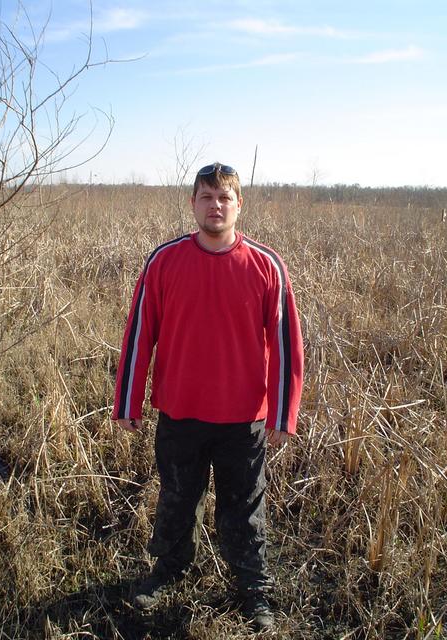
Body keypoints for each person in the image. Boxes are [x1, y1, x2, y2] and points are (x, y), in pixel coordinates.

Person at [112, 162, 304, 631]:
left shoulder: (266, 265)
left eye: (225, 198)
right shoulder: (164, 260)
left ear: (239, 205)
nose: (215, 206)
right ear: (193, 203)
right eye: (206, 196)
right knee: (178, 498)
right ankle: (168, 573)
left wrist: (283, 414)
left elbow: (285, 344)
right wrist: (127, 402)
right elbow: (140, 333)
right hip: (181, 413)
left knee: (245, 506)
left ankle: (253, 591)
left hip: (243, 419)